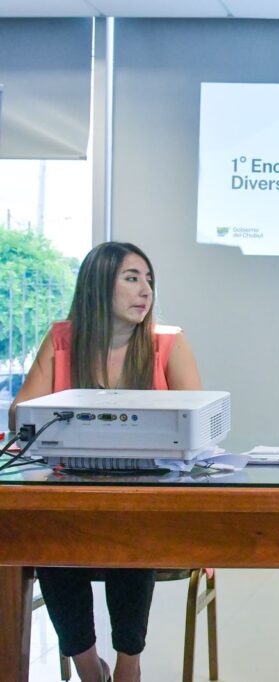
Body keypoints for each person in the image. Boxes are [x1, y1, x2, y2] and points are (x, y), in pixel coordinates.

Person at [10, 241, 201, 682]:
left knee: (129, 526)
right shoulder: (61, 339)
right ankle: (89, 669)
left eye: (149, 280)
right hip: (69, 493)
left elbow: (197, 422)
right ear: (98, 286)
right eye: (132, 279)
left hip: (147, 497)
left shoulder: (168, 343)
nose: (145, 290)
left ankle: (129, 666)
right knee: (47, 537)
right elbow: (21, 415)